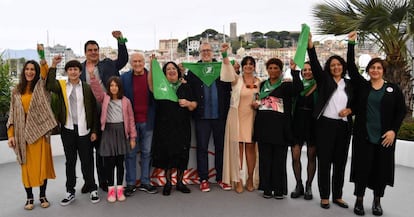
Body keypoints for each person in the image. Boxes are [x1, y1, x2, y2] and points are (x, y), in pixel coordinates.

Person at [347, 31, 406, 216]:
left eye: (379, 68)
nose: (375, 71)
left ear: (383, 71)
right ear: (368, 70)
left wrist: (393, 131)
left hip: (384, 138)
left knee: (380, 170)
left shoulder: (393, 89)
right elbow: (350, 67)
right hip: (363, 136)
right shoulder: (363, 86)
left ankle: (377, 202)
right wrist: (351, 44)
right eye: (372, 68)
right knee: (362, 168)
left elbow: (400, 112)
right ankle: (359, 201)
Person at [307, 32, 354, 209]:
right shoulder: (324, 80)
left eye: (339, 64)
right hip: (325, 126)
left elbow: (356, 104)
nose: (336, 67)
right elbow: (315, 63)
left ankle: (338, 196)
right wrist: (311, 45)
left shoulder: (349, 84)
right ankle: (325, 196)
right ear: (329, 68)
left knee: (340, 163)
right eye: (333, 65)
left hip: (343, 127)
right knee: (324, 162)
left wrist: (350, 110)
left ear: (343, 67)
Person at [46, 57, 100, 206]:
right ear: (67, 72)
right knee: (70, 162)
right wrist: (53, 65)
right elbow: (49, 85)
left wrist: (94, 130)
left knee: (87, 161)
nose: (73, 72)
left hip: (84, 129)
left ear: (80, 72)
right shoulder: (62, 86)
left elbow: (94, 110)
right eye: (70, 69)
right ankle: (70, 191)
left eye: (76, 69)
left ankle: (92, 188)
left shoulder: (87, 88)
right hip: (68, 129)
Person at [80, 30, 129, 192]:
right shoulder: (79, 69)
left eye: (95, 50)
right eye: (90, 50)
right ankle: (89, 182)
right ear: (85, 52)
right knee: (88, 152)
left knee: (103, 151)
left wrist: (120, 41)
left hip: (108, 115)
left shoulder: (108, 64)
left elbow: (123, 59)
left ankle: (104, 181)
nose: (93, 53)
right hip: (87, 115)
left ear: (98, 51)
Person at [7, 56, 57, 210]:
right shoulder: (16, 90)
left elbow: (45, 73)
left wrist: (43, 58)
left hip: (40, 132)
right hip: (23, 135)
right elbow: (12, 114)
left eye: (32, 69)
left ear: (36, 72)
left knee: (42, 166)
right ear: (24, 71)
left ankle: (43, 196)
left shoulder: (41, 87)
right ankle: (29, 198)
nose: (29, 72)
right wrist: (11, 135)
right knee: (26, 167)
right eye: (27, 69)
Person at [185, 42, 233, 192]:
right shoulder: (193, 71)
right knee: (202, 149)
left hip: (220, 116)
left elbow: (230, 83)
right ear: (199, 53)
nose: (206, 52)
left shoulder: (221, 68)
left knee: (221, 148)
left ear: (213, 52)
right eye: (203, 50)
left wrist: (226, 57)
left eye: (208, 50)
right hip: (201, 117)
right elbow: (188, 90)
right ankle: (204, 179)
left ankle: (221, 178)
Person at [253, 58, 303, 199]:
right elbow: (257, 100)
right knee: (265, 159)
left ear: (281, 70)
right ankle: (267, 189)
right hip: (263, 127)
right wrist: (255, 104)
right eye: (270, 68)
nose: (273, 70)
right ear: (267, 69)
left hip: (281, 129)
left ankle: (279, 189)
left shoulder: (286, 85)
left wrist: (294, 71)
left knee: (279, 160)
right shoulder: (262, 85)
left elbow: (299, 89)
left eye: (276, 68)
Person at [149, 59, 197, 196]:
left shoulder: (185, 87)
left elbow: (194, 105)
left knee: (182, 154)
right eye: (168, 69)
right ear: (164, 73)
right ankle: (168, 183)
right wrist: (153, 65)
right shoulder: (161, 87)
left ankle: (180, 182)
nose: (171, 71)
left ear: (178, 72)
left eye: (173, 68)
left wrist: (188, 103)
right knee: (167, 155)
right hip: (165, 127)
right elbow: (151, 85)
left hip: (182, 126)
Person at [89, 75, 137, 202]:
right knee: (109, 164)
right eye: (111, 85)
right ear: (108, 88)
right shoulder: (104, 98)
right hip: (108, 132)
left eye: (116, 85)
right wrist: (92, 77)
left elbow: (131, 120)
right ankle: (111, 190)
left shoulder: (126, 101)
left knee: (120, 163)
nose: (114, 88)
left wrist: (132, 137)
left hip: (121, 132)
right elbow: (97, 90)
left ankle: (120, 189)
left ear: (119, 87)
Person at [121, 53, 158, 196]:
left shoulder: (152, 77)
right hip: (131, 123)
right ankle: (130, 183)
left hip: (148, 122)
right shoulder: (124, 78)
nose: (137, 64)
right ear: (131, 63)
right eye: (134, 61)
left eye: (140, 61)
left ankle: (145, 182)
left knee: (147, 153)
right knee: (130, 154)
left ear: (144, 62)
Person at [223, 56, 260, 193]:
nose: (248, 66)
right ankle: (238, 180)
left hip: (252, 118)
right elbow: (227, 72)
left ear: (255, 67)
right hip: (237, 118)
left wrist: (258, 104)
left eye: (251, 64)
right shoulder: (236, 80)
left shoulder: (259, 82)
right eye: (246, 64)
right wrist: (225, 55)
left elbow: (261, 98)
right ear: (242, 66)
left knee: (251, 150)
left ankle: (250, 178)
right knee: (237, 151)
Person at [290, 61, 317, 200]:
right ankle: (298, 184)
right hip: (297, 123)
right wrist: (294, 70)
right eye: (304, 70)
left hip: (313, 124)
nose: (307, 72)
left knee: (311, 157)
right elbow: (295, 91)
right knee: (295, 157)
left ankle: (309, 186)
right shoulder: (298, 85)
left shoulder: (319, 85)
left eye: (310, 69)